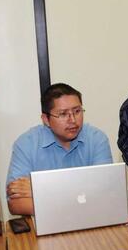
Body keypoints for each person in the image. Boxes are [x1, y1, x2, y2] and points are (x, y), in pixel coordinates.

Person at [6, 83, 112, 215]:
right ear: (46, 119)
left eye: (77, 111)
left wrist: (40, 190)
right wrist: (78, 197)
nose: (73, 120)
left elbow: (105, 193)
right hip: (46, 228)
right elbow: (16, 204)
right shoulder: (26, 144)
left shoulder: (97, 139)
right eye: (63, 114)